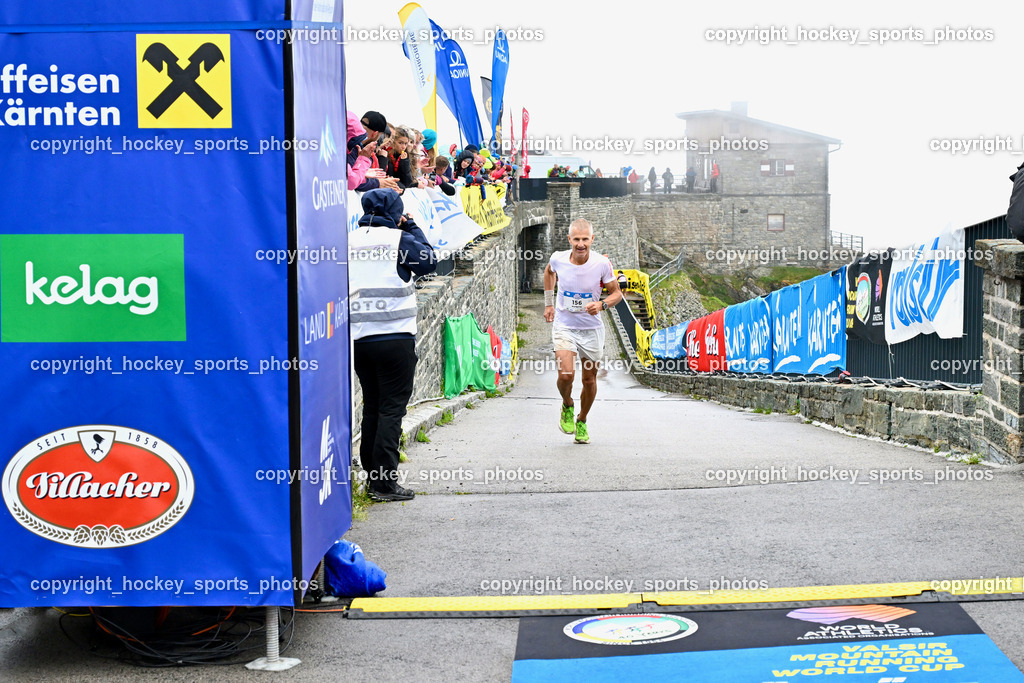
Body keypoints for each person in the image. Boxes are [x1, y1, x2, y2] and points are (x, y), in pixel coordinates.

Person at [350, 188, 437, 501]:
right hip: (395, 337)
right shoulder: (397, 239)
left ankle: (373, 477)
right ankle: (384, 483)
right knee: (391, 409)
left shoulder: (347, 240)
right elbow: (429, 262)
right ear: (396, 212)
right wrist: (411, 227)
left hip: (358, 340)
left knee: (373, 405)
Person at [543, 218, 623, 444]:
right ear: (569, 239)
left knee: (589, 380)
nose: (580, 244)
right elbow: (549, 273)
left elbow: (616, 293)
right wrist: (549, 303)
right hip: (565, 326)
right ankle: (567, 403)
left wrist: (602, 304)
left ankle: (582, 419)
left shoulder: (601, 264)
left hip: (591, 329)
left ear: (592, 239)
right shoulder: (558, 258)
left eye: (585, 239)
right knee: (566, 375)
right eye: (576, 239)